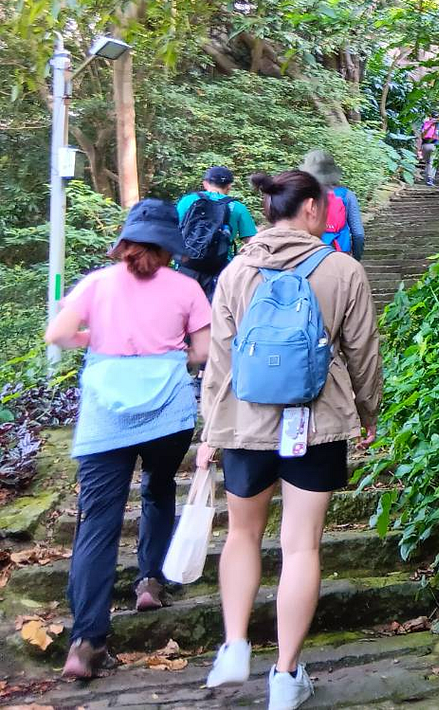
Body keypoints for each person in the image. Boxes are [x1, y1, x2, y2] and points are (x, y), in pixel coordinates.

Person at [199, 170, 380, 710]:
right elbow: (362, 353)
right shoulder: (342, 269)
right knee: (301, 545)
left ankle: (235, 645)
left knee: (241, 535)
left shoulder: (235, 271)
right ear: (310, 209)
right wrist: (368, 412)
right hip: (315, 424)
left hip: (245, 423)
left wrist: (211, 427)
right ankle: (285, 675)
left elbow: (220, 359)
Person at [44, 200, 211, 680]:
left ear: (125, 241)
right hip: (167, 414)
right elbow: (202, 351)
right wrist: (169, 356)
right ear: (170, 246)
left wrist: (95, 341)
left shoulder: (96, 283)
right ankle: (150, 581)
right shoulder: (186, 287)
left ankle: (86, 641)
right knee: (158, 489)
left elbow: (58, 334)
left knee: (98, 523)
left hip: (105, 417)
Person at [175, 166, 258, 300]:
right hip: (220, 269)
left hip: (187, 265)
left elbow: (173, 230)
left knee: (183, 306)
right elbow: (252, 242)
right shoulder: (238, 207)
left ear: (205, 183)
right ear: (229, 186)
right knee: (216, 309)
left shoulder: (187, 201)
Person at [299, 150, 364, 260]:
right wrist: (356, 258)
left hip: (311, 254)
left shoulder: (302, 195)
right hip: (341, 254)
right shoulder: (347, 195)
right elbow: (358, 234)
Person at [418, 114, 439, 186]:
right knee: (432, 163)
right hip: (434, 145)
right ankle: (430, 179)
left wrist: (419, 149)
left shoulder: (425, 124)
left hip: (425, 145)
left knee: (428, 163)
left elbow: (421, 136)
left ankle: (427, 179)